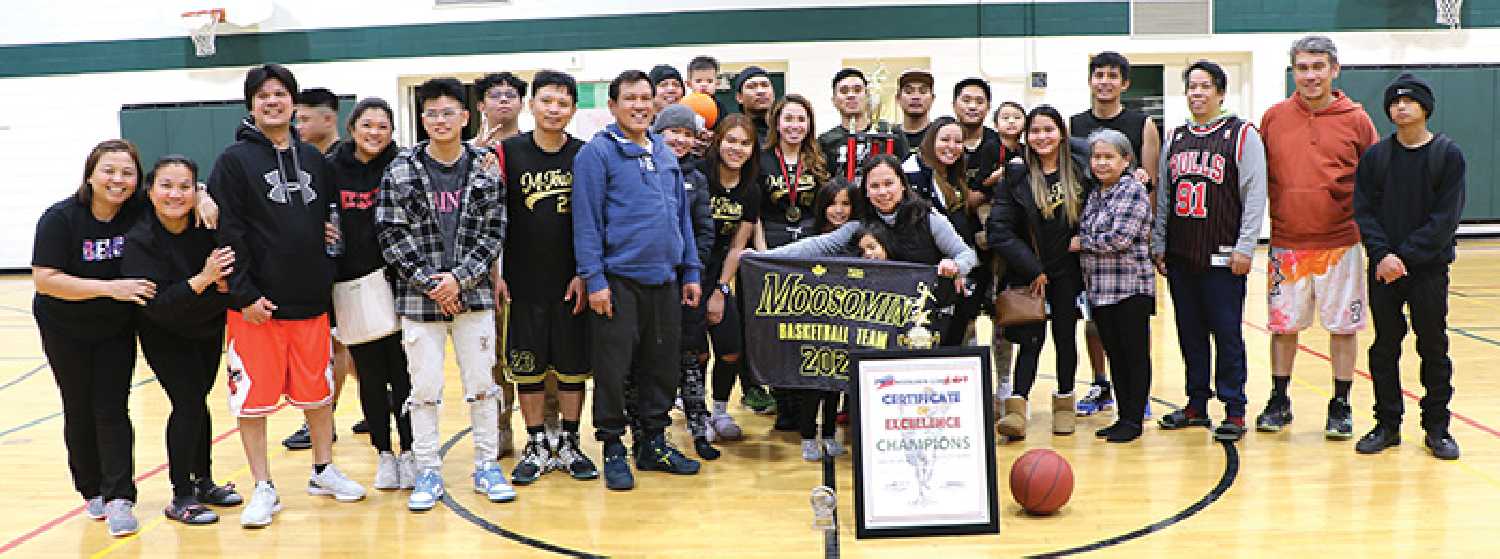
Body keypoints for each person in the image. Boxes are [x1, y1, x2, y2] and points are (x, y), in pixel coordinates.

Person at [210, 64, 365, 528]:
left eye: (280, 94)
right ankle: (263, 486)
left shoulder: (315, 159)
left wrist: (328, 269)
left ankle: (323, 469)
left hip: (310, 303)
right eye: (263, 95)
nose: (272, 101)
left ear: (293, 102)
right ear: (251, 105)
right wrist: (244, 294)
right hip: (257, 308)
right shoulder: (233, 161)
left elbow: (327, 222)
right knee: (253, 404)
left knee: (318, 396)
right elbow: (228, 231)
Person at [767, 155, 978, 459]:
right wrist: (766, 255)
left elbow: (967, 255)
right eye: (874, 185)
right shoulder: (859, 225)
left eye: (889, 183)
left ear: (902, 186)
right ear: (864, 191)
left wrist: (954, 265)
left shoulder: (928, 217)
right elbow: (815, 246)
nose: (882, 191)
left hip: (926, 323)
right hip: (880, 325)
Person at [375, 77, 514, 510]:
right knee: (424, 390)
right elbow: (389, 232)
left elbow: (495, 230)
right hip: (420, 299)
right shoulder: (400, 167)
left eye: (448, 112)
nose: (440, 119)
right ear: (422, 118)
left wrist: (461, 279)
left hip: (472, 298)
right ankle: (428, 470)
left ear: (466, 117)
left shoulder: (486, 164)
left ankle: (487, 465)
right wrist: (432, 282)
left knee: (482, 386)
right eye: (432, 112)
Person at [572, 69, 704, 490]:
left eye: (646, 98)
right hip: (618, 281)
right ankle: (612, 445)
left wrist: (691, 270)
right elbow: (587, 222)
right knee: (613, 370)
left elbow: (681, 218)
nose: (640, 105)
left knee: (660, 367)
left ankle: (652, 443)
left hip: (665, 280)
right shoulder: (598, 153)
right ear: (613, 106)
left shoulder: (664, 152)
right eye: (630, 98)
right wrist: (594, 280)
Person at [1256, 36, 1381, 439]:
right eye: (1303, 68)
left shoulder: (1357, 119)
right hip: (1287, 243)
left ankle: (1341, 403)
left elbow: (1376, 179)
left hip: (1341, 241)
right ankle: (1279, 399)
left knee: (1343, 327)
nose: (1310, 75)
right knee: (1283, 327)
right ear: (1293, 71)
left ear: (1334, 70)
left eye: (1318, 67)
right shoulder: (1274, 117)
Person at [32, 140, 153, 536]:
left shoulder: (138, 211)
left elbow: (177, 191)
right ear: (90, 174)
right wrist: (110, 288)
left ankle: (121, 497)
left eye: (127, 173)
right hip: (64, 325)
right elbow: (46, 280)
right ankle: (91, 490)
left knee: (112, 407)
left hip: (114, 327)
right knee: (78, 407)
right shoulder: (61, 218)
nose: (117, 180)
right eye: (109, 171)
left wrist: (203, 196)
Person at [122, 155, 243, 524]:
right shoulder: (140, 237)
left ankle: (203, 480)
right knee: (187, 402)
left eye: (185, 186)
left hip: (206, 327)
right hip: (164, 332)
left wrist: (217, 288)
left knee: (198, 402)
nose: (175, 194)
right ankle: (181, 495)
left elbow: (229, 273)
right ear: (150, 191)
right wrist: (205, 279)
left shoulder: (206, 222)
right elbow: (159, 304)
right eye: (166, 186)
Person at [1152, 60, 1268, 443]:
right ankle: (1196, 403)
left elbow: (1254, 196)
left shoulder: (1242, 135)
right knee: (1190, 334)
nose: (1197, 93)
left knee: (1227, 334)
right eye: (1192, 86)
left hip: (1223, 256)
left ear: (1221, 92)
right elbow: (1166, 197)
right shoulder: (1175, 137)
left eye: (1205, 86)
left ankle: (1234, 409)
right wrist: (1159, 243)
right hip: (1183, 254)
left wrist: (1246, 246)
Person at [1352, 73, 1465, 460]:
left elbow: (1444, 220)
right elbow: (1364, 211)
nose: (1401, 107)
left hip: (1427, 270)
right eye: (1395, 102)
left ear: (1425, 108)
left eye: (1410, 101)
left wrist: (1405, 257)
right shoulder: (1377, 157)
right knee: (1384, 347)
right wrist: (1383, 255)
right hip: (1383, 269)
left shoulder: (1446, 155)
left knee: (1432, 346)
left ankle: (1437, 427)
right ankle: (1387, 424)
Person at [496, 70, 601, 485]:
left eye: (563, 103)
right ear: (531, 104)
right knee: (528, 369)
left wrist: (585, 273)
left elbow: (595, 219)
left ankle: (571, 441)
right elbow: (494, 220)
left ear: (573, 110)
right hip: (521, 282)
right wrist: (496, 272)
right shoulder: (507, 153)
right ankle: (537, 442)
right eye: (547, 101)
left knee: (573, 368)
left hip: (572, 281)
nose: (554, 109)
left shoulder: (586, 154)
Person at [326, 98, 416, 489]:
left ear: (392, 131)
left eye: (383, 126)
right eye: (368, 125)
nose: (375, 133)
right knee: (370, 375)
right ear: (352, 128)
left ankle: (411, 451)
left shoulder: (404, 165)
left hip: (399, 283)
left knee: (404, 375)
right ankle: (384, 453)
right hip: (351, 285)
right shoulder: (331, 167)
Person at [986, 105, 1092, 441]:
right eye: (1035, 131)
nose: (1042, 137)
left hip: (1069, 272)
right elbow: (999, 231)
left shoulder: (1080, 170)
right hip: (1028, 272)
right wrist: (1033, 270)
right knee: (1030, 341)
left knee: (1065, 338)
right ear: (1026, 137)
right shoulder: (1015, 176)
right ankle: (1017, 410)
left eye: (1049, 130)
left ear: (1062, 133)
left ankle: (1064, 405)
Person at [1068, 52, 1164, 418]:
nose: (1105, 81)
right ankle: (1101, 383)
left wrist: (1152, 243)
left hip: (1127, 259)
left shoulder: (1142, 125)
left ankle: (1137, 401)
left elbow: (1149, 184)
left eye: (1113, 75)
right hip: (1093, 252)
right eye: (1098, 74)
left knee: (1132, 336)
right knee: (1098, 324)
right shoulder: (1074, 124)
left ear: (1124, 83)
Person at [285, 85, 362, 447]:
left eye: (303, 118)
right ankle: (325, 418)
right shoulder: (298, 160)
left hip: (354, 265)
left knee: (345, 344)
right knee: (338, 344)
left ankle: (325, 419)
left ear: (329, 119)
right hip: (316, 267)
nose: (296, 124)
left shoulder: (347, 158)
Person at [1070, 130, 1154, 443]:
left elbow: (1120, 238)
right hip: (1101, 290)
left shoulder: (1132, 190)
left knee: (1133, 356)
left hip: (1130, 288)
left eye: (1109, 157)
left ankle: (1134, 420)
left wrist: (1082, 244)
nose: (1101, 163)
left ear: (1126, 160)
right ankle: (1123, 416)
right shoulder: (1095, 193)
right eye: (1097, 157)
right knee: (1115, 357)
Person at [756, 94, 830, 430]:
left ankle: (806, 406)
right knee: (778, 329)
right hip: (773, 248)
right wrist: (762, 253)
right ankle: (784, 403)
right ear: (776, 123)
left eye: (801, 119)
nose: (794, 126)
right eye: (788, 119)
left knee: (808, 328)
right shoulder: (761, 159)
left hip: (811, 248)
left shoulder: (818, 158)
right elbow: (752, 210)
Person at [654, 103, 720, 459]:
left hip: (687, 284)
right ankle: (654, 432)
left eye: (686, 134)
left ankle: (699, 428)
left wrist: (692, 270)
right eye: (673, 132)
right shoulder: (644, 169)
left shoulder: (696, 177)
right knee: (654, 361)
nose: (679, 140)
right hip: (652, 283)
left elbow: (704, 230)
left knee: (691, 360)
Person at [701, 113, 763, 438]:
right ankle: (698, 416)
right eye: (731, 140)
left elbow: (738, 245)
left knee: (730, 349)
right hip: (690, 273)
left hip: (721, 276)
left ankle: (720, 411)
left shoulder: (751, 190)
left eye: (744, 143)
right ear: (718, 142)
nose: (736, 148)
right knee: (695, 352)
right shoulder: (699, 176)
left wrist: (720, 290)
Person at [818, 68, 908, 183]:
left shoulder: (891, 134)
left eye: (857, 90)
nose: (851, 95)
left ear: (867, 96)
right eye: (844, 91)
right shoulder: (825, 142)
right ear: (834, 100)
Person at [474, 71, 528, 147]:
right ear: (481, 106)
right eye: (494, 95)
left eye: (510, 95)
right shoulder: (468, 151)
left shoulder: (535, 147)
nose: (503, 99)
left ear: (522, 105)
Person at [896, 69, 936, 162]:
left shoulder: (939, 136)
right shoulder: (891, 136)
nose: (916, 97)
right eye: (909, 92)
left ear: (932, 99)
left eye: (923, 91)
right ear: (898, 98)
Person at [734, 66, 776, 145]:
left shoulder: (785, 131)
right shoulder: (733, 131)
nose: (760, 91)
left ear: (773, 94)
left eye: (765, 85)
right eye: (751, 87)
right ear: (739, 97)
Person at [295, 88, 341, 154]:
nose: (298, 127)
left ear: (328, 120)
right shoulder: (304, 159)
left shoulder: (346, 159)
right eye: (298, 121)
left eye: (305, 120)